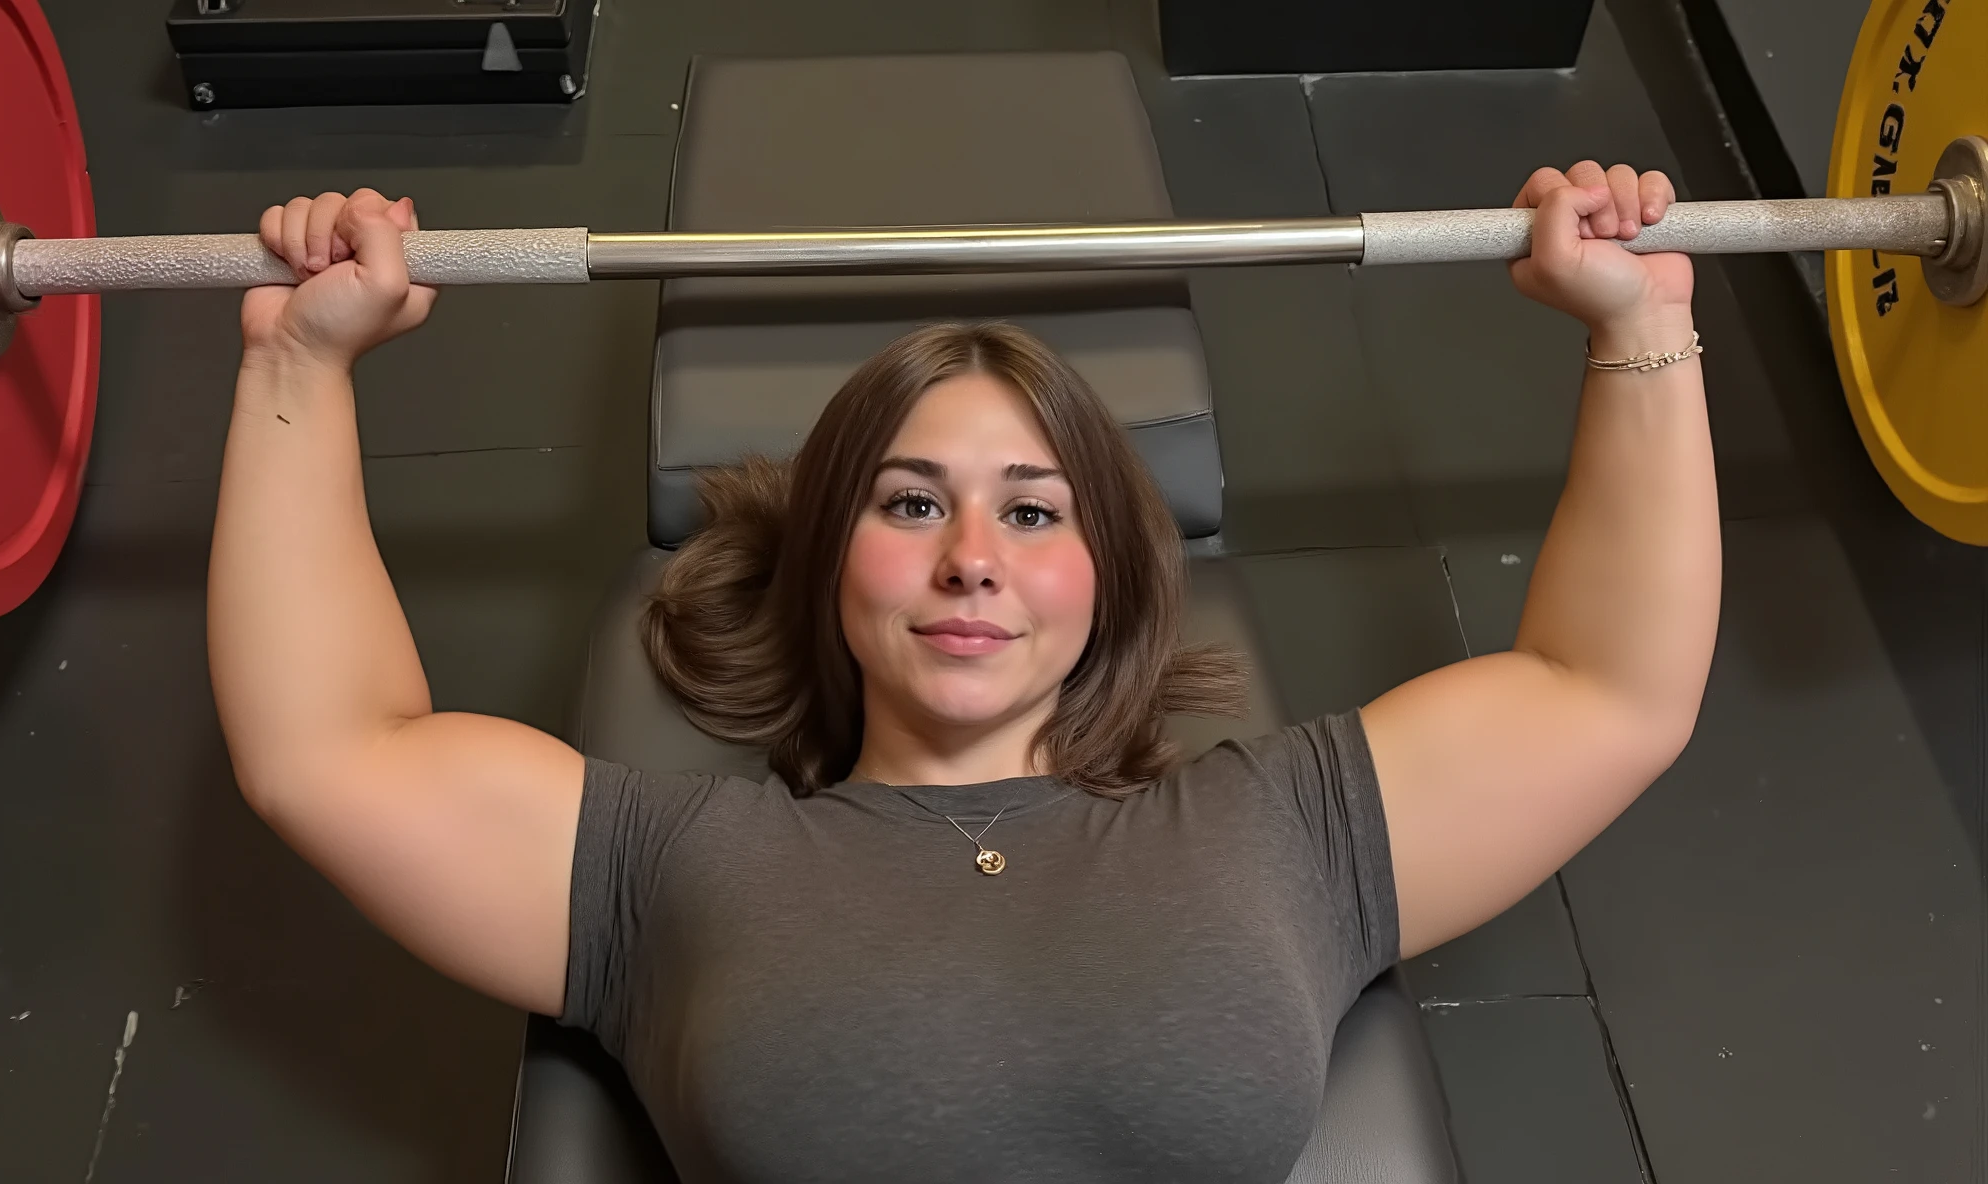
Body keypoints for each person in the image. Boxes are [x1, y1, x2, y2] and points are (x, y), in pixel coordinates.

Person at [209, 162, 1716, 1182]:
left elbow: (1608, 691)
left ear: (1109, 577)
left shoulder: (1284, 830)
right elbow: (325, 750)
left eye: (1035, 509)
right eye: (912, 502)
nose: (973, 556)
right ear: (830, 564)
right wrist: (298, 361)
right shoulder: (671, 871)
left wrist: (1643, 324)